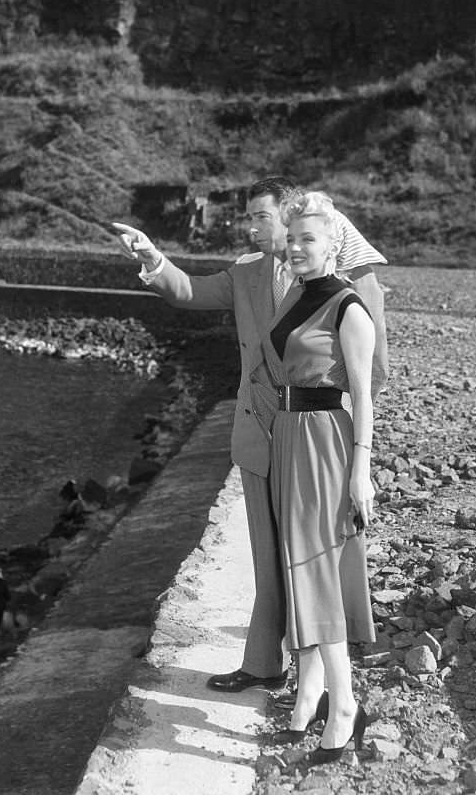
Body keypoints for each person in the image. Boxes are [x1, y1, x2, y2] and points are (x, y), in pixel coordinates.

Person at [111, 176, 387, 695]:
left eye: (260, 217)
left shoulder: (344, 282)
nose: (250, 226)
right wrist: (153, 258)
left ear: (290, 218)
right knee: (267, 552)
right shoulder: (246, 274)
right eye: (248, 218)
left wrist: (344, 435)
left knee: (315, 555)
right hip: (258, 433)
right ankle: (265, 663)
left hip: (312, 434)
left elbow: (374, 368)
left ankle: (328, 683)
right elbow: (189, 291)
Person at [262, 190, 376, 763]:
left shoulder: (349, 307)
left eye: (309, 238)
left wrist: (362, 471)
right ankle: (309, 691)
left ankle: (346, 700)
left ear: (334, 243)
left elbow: (364, 394)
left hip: (325, 438)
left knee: (316, 566)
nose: (298, 247)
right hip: (288, 434)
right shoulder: (293, 295)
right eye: (293, 237)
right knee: (293, 560)